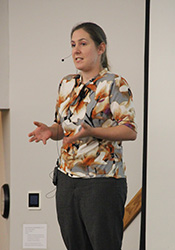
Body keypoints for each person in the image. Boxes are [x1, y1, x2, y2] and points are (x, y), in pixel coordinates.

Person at [28, 22, 137, 250]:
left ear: (101, 48)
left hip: (102, 183)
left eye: (83, 43)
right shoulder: (67, 84)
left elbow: (129, 130)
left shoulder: (114, 84)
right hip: (67, 182)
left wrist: (92, 131)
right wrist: (51, 130)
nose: (76, 50)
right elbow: (63, 128)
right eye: (72, 45)